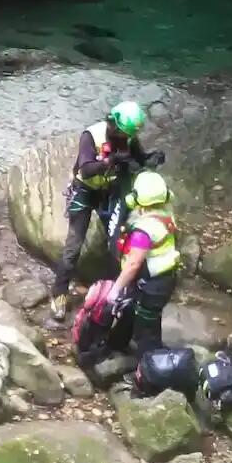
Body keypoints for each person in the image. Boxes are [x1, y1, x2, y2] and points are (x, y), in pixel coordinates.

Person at [50, 100, 159, 319]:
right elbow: (87, 168)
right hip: (85, 190)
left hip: (109, 192)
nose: (122, 136)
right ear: (112, 122)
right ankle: (59, 293)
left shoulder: (128, 136)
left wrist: (150, 160)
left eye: (126, 134)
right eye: (119, 131)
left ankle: (115, 290)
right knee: (74, 245)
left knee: (117, 242)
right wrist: (111, 161)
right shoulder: (91, 136)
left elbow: (138, 161)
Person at [107, 171, 180, 358]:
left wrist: (115, 289)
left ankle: (149, 373)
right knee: (132, 311)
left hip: (152, 285)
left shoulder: (144, 230)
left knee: (146, 330)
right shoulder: (166, 217)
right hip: (163, 279)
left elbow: (133, 263)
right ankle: (116, 343)